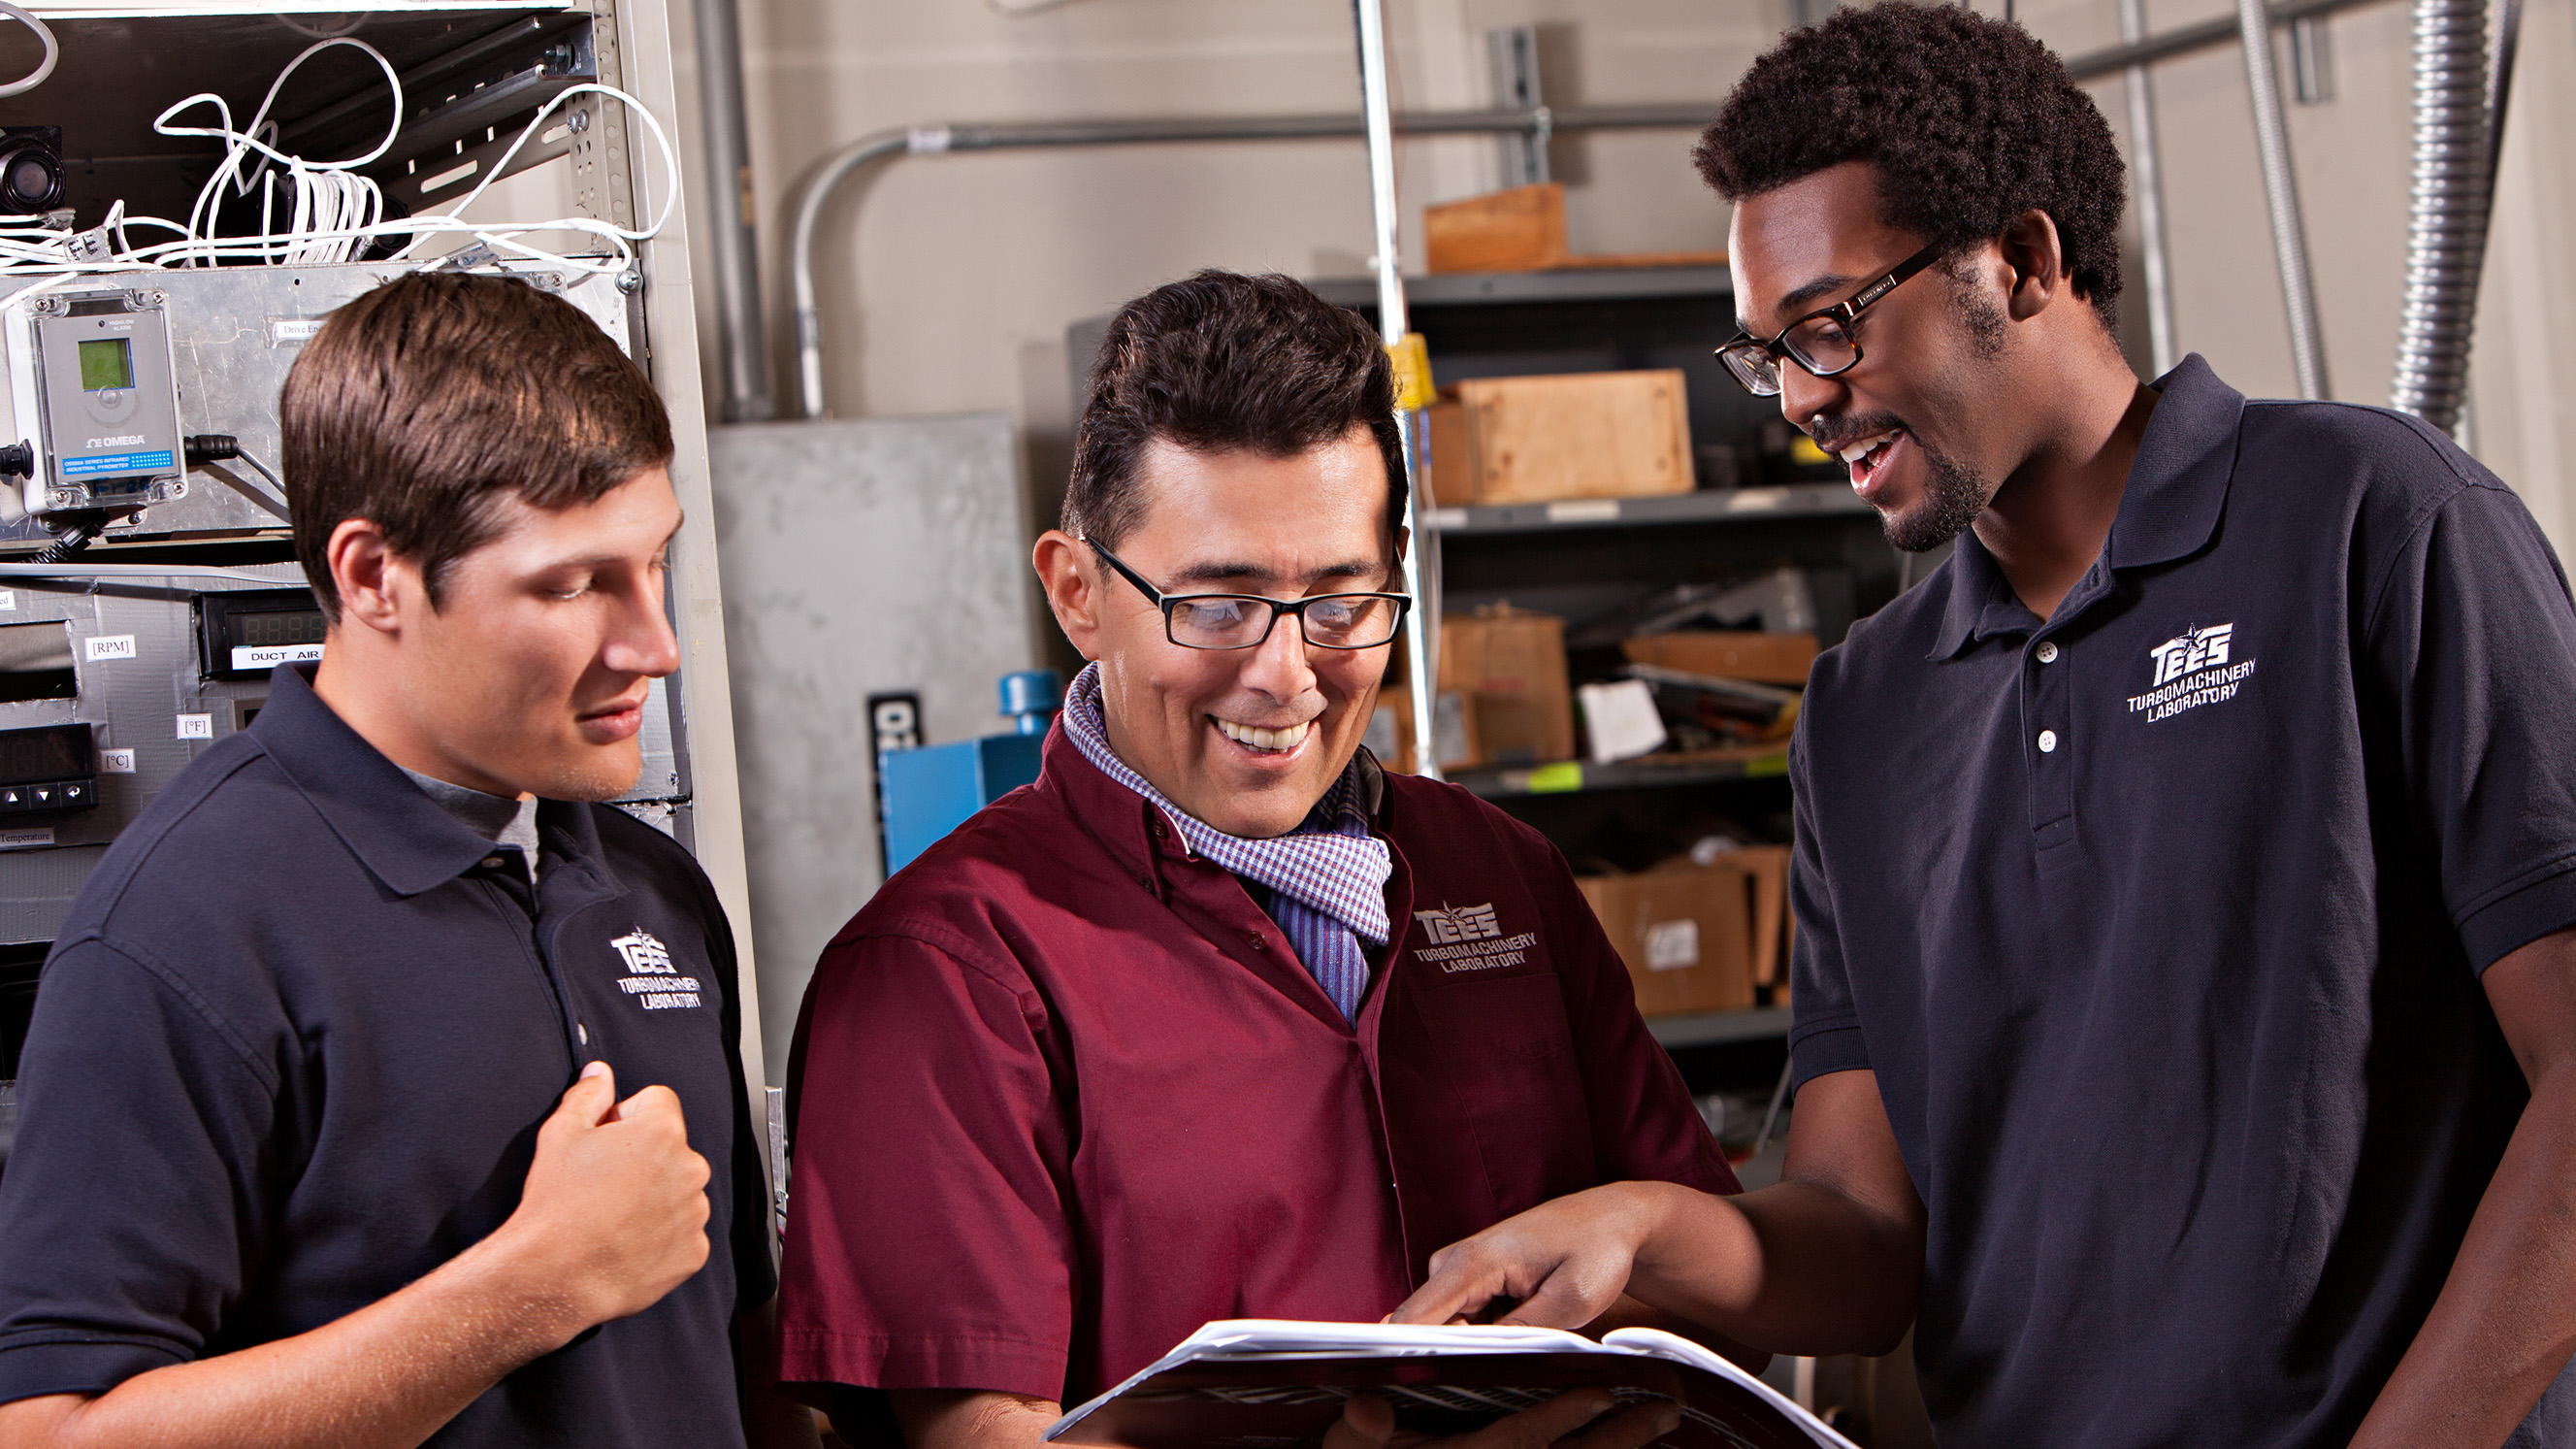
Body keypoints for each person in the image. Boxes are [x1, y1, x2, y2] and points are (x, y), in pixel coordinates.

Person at [1388, 7, 2576, 1448]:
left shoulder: (2365, 521)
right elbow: (1855, 1231)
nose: (1803, 398)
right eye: (1766, 354)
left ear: (2019, 260)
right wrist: (1641, 1234)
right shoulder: (1862, 709)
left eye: (1829, 322)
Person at [775, 270, 1739, 1449]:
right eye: (1220, 605)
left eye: (1340, 602)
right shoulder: (947, 969)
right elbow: (973, 1433)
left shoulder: (1499, 872)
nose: (1288, 673)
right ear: (1078, 594)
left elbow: (1697, 1277)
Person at [0, 272, 810, 1449]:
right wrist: (526, 1291)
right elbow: (53, 1432)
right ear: (376, 575)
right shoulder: (182, 933)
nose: (657, 644)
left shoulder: (651, 885)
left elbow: (739, 1343)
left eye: (656, 563)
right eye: (575, 583)